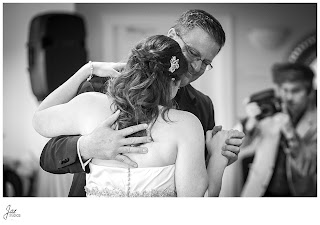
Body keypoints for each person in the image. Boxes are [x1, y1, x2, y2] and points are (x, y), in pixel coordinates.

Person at [40, 9, 245, 196]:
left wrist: (220, 157)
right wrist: (87, 146)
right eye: (193, 53)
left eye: (206, 62)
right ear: (172, 36)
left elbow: (195, 182)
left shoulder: (202, 105)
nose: (196, 66)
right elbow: (48, 157)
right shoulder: (100, 86)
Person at [238, 62, 317, 197]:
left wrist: (290, 131)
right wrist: (250, 123)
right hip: (259, 191)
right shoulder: (269, 110)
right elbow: (241, 146)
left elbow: (308, 167)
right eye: (284, 90)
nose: (288, 97)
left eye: (295, 91)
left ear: (309, 92)